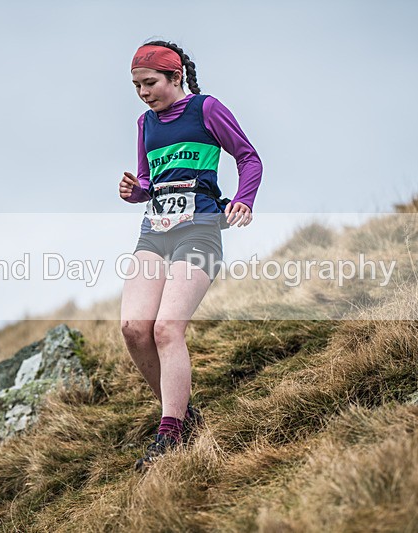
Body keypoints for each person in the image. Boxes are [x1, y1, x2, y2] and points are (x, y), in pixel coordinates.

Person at [118, 40, 263, 471]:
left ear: (175, 76)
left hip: (199, 232)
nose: (144, 93)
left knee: (166, 328)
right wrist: (135, 191)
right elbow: (149, 181)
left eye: (150, 83)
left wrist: (244, 199)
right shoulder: (146, 124)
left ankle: (171, 433)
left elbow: (248, 157)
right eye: (136, 86)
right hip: (154, 234)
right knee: (133, 328)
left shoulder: (206, 109)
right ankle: (184, 413)